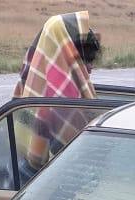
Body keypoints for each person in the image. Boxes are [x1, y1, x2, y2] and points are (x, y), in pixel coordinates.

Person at [13, 10, 102, 183]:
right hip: (47, 179)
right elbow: (75, 156)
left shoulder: (33, 84)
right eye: (85, 59)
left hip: (28, 169)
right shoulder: (63, 95)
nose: (90, 68)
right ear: (68, 53)